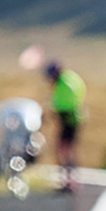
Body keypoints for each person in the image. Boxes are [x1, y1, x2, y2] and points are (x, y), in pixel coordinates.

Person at [44, 61, 87, 192]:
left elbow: (61, 103)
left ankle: (70, 180)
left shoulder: (63, 84)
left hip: (69, 120)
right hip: (72, 118)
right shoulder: (69, 79)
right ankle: (71, 179)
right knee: (68, 149)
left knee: (65, 150)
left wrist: (55, 110)